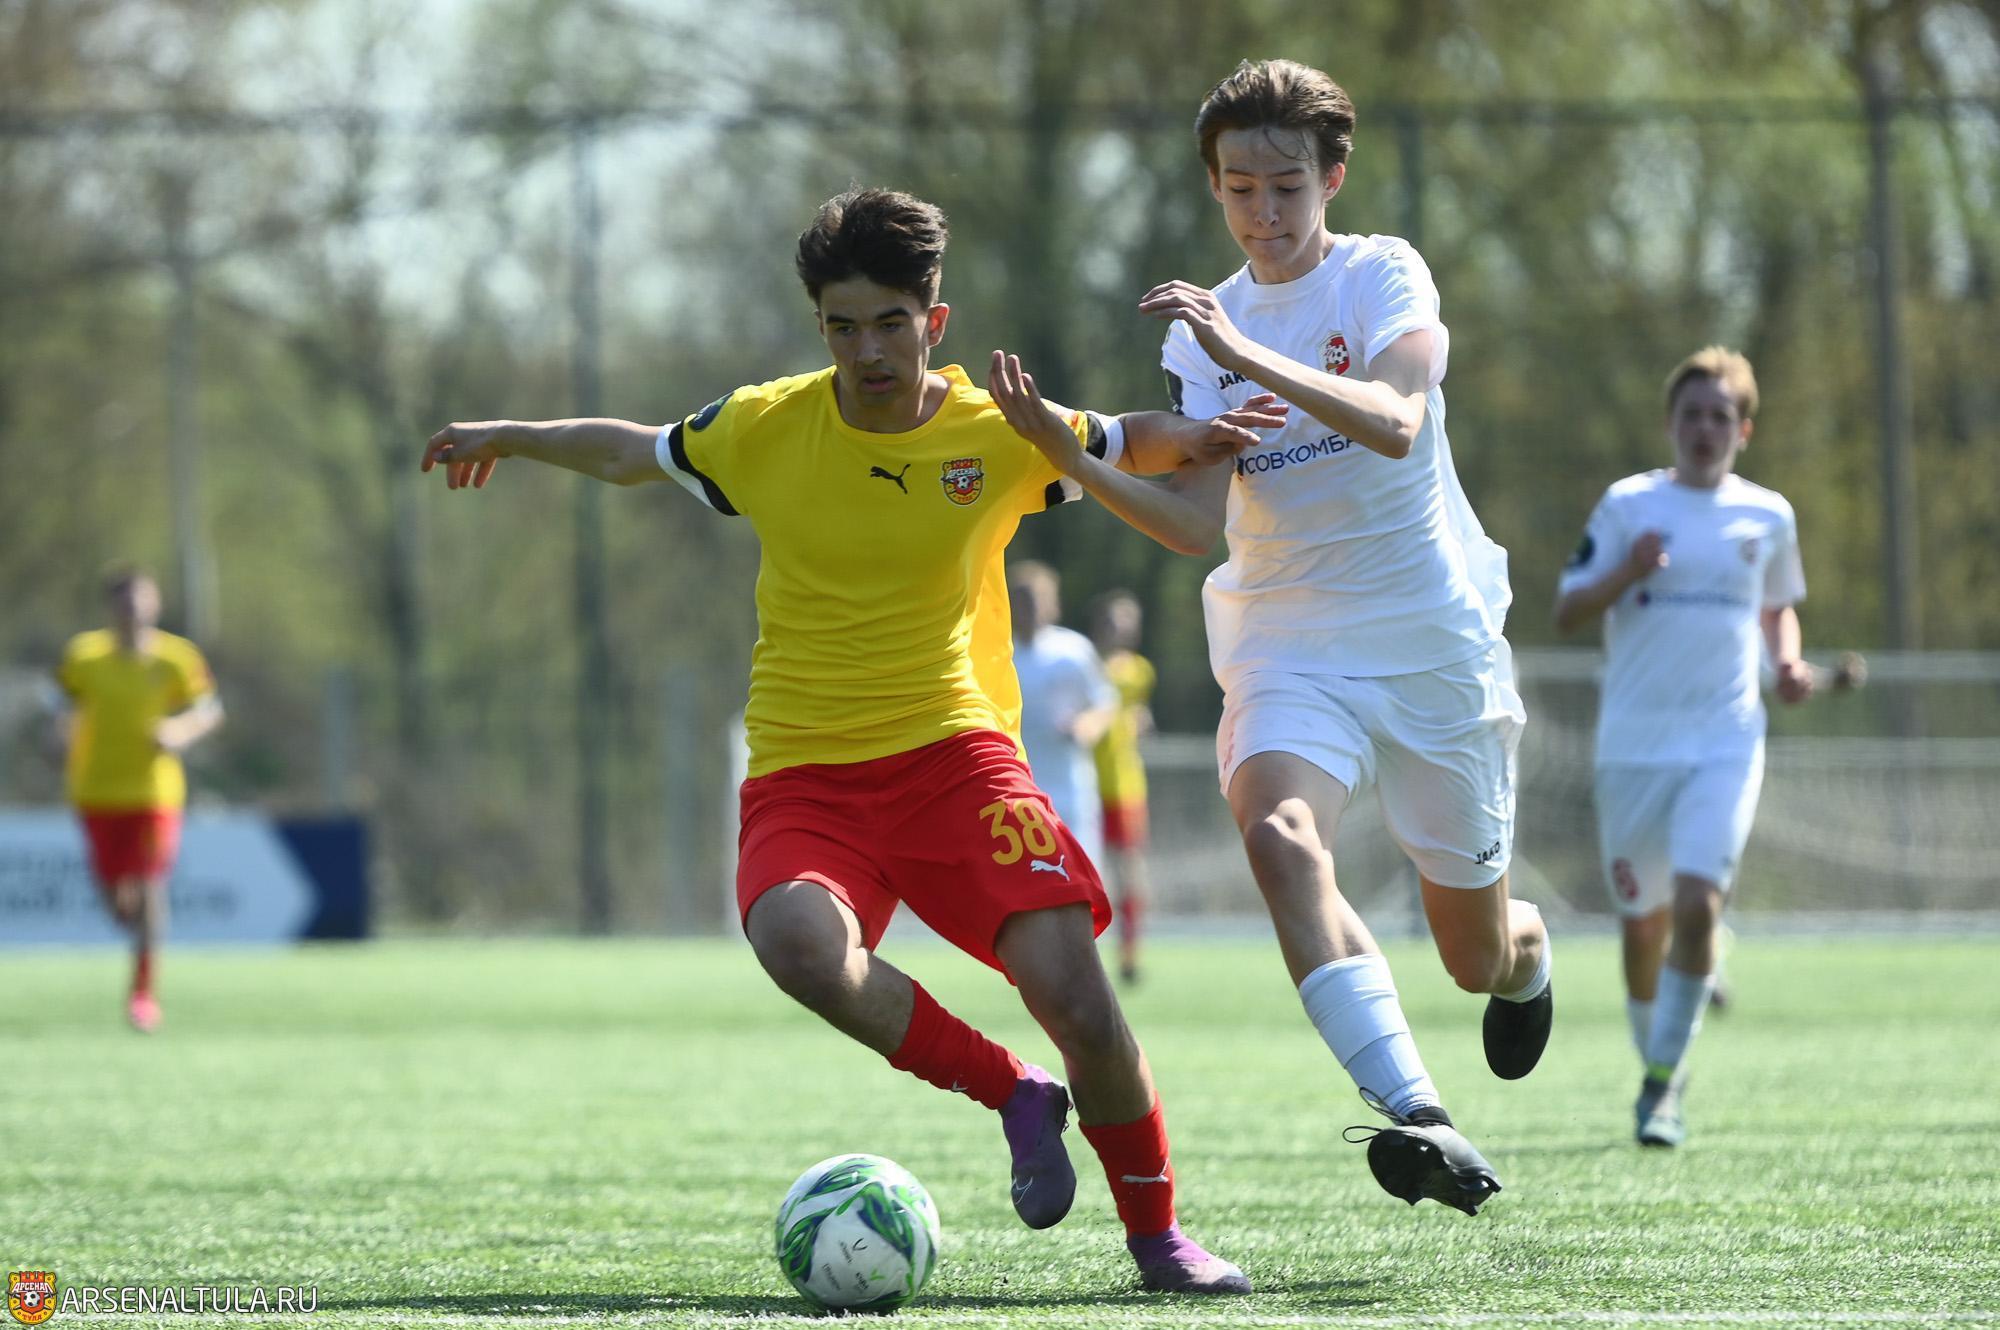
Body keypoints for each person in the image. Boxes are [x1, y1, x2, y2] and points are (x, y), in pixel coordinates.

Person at [421, 188, 1280, 1294]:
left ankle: (1159, 1239)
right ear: (818, 326)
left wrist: (1201, 437)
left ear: (934, 320)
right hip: (805, 772)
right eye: (841, 326)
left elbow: (1120, 438)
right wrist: (512, 435)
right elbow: (635, 451)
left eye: (888, 322)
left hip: (957, 759)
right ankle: (1013, 1091)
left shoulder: (993, 429)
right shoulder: (763, 426)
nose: (866, 350)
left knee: (1076, 993)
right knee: (797, 945)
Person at [989, 58, 1553, 1218]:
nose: (1263, 212)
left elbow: (1396, 421)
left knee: (1473, 957)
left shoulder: (1379, 275)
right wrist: (1066, 454)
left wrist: (1247, 356)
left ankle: (1527, 953)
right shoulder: (1199, 331)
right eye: (1239, 189)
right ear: (1213, 186)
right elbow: (1193, 524)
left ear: (1330, 177)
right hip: (1283, 642)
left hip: (1428, 643)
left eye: (1285, 186)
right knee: (1280, 839)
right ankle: (1417, 1111)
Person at [1554, 346, 1812, 1148]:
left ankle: (1662, 1082)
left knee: (1700, 906)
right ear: (1670, 424)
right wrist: (1626, 573)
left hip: (1725, 741)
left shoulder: (1768, 516)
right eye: (1692, 414)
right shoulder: (1628, 505)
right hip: (1634, 749)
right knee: (1644, 929)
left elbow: (1776, 610)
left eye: (1721, 417)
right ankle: (1659, 1056)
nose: (1706, 429)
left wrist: (1788, 662)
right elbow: (1567, 609)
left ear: (1744, 430)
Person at [52, 566, 224, 1032]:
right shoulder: (83, 657)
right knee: (116, 900)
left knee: (149, 885)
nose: (133, 609)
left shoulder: (176, 658)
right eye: (124, 600)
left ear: (156, 603)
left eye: (140, 598)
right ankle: (141, 933)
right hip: (95, 790)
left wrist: (179, 730)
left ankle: (143, 994)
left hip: (154, 792)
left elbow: (209, 708)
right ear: (110, 607)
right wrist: (60, 737)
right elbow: (62, 706)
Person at [1008, 560, 1116, 870]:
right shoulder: (1000, 653)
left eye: (1036, 598)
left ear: (1052, 602)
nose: (1029, 607)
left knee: (1079, 868)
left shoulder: (1074, 650)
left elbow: (1104, 702)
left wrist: (1086, 726)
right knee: (1027, 872)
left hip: (1070, 784)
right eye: (1021, 598)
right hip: (1016, 784)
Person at [1088, 589, 1157, 984]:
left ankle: (1130, 953)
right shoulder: (1084, 664)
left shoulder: (1141, 670)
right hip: (1085, 785)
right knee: (1085, 873)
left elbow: (1138, 714)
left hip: (1127, 785)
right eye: (1116, 620)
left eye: (1130, 621)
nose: (1124, 629)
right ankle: (1085, 954)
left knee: (1129, 873)